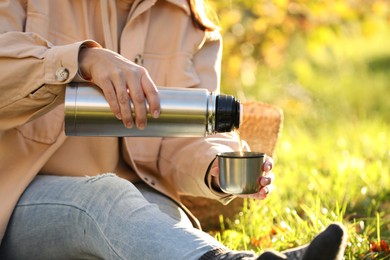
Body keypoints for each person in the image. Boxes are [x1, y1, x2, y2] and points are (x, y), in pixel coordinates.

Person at [0, 0, 347, 259]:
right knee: (106, 199)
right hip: (18, 199)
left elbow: (186, 136)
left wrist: (215, 166)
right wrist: (83, 60)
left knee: (162, 226)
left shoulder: (190, 21)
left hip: (137, 203)